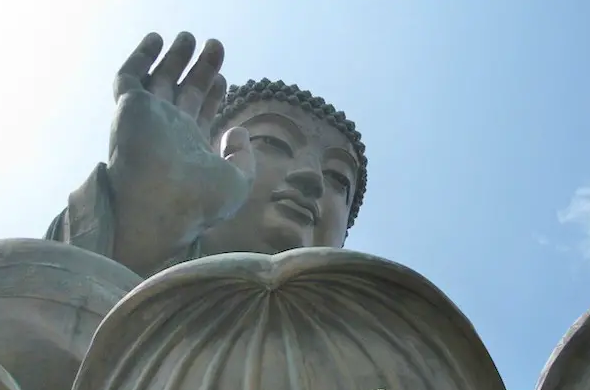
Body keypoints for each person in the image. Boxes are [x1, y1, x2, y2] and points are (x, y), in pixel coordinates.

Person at [46, 32, 367, 277]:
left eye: (339, 178)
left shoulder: (373, 345)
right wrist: (135, 230)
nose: (311, 178)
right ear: (204, 154)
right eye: (272, 142)